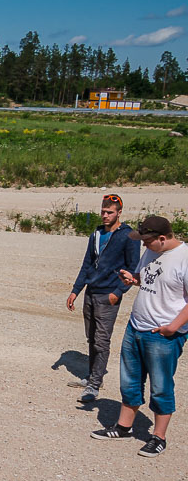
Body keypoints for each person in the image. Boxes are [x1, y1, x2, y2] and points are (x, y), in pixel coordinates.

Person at [92, 215, 188, 457]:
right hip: (136, 327)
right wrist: (133, 280)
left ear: (163, 238)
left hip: (163, 335)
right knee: (130, 381)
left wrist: (173, 327)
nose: (143, 246)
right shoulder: (151, 252)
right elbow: (147, 280)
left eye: (147, 241)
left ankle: (158, 437)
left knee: (161, 386)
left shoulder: (184, 258)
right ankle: (124, 427)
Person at [67, 194, 140, 402]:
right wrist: (76, 290)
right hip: (91, 291)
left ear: (119, 212)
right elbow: (87, 264)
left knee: (101, 340)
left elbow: (133, 267)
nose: (105, 216)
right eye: (103, 212)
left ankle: (94, 385)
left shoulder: (129, 235)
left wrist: (118, 292)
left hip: (108, 295)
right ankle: (91, 376)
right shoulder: (97, 234)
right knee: (91, 336)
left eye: (110, 212)